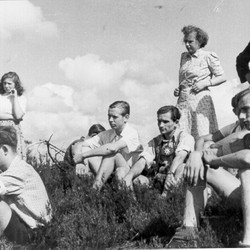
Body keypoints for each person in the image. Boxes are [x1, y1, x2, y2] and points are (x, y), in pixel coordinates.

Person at [168, 88, 250, 248]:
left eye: (247, 110)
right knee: (200, 166)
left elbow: (247, 158)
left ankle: (247, 243)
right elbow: (208, 152)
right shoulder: (246, 138)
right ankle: (188, 230)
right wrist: (197, 155)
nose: (240, 116)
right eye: (240, 111)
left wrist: (217, 160)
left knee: (248, 172)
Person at [67, 101, 143, 190]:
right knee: (86, 149)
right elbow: (79, 144)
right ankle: (95, 188)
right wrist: (80, 162)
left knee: (112, 155)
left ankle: (95, 190)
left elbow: (112, 149)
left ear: (126, 118)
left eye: (114, 117)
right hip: (112, 171)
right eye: (109, 116)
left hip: (131, 173)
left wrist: (83, 156)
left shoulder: (132, 133)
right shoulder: (107, 134)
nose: (110, 120)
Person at [123, 105, 194, 196]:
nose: (161, 125)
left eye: (165, 122)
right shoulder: (154, 141)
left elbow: (180, 157)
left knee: (182, 167)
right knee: (134, 178)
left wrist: (170, 174)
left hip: (177, 177)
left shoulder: (186, 138)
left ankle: (170, 199)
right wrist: (129, 176)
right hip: (158, 179)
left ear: (176, 122)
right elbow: (143, 161)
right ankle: (137, 202)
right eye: (159, 121)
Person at [0, 126, 52, 245]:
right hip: (30, 230)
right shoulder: (14, 170)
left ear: (4, 149)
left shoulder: (20, 171)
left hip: (36, 235)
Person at [174, 25, 226, 140]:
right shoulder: (184, 57)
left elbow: (222, 77)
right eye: (185, 41)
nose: (187, 44)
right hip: (183, 103)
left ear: (199, 41)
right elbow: (184, 80)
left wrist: (205, 83)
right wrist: (178, 89)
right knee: (181, 136)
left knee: (201, 135)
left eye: (190, 41)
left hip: (200, 103)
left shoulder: (208, 56)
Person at [0, 72, 26, 159]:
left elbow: (18, 115)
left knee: (12, 156)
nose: (6, 86)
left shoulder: (21, 98)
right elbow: (16, 117)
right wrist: (11, 117)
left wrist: (14, 97)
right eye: (4, 83)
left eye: (9, 83)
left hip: (13, 130)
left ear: (15, 84)